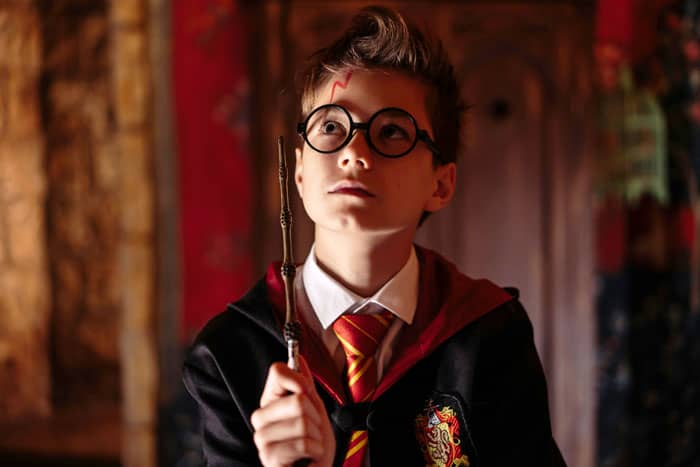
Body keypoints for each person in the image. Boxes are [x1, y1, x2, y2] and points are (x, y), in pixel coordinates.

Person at [183, 5, 566, 467]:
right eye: (331, 127)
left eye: (391, 132)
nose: (354, 153)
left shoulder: (489, 334)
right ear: (300, 171)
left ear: (440, 184)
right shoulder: (230, 353)